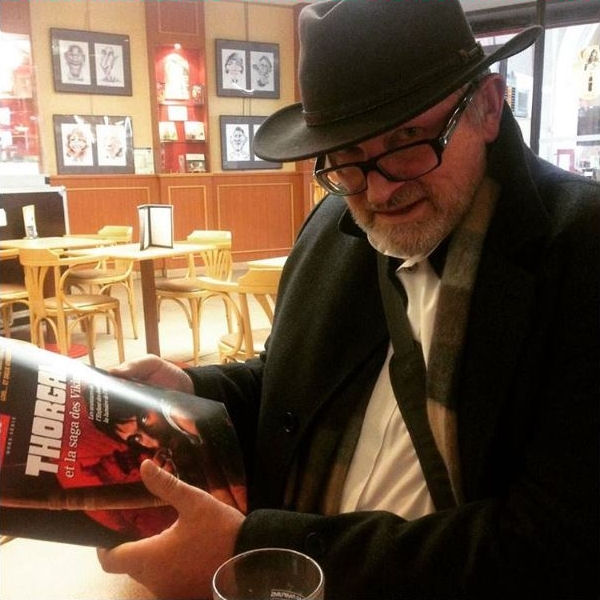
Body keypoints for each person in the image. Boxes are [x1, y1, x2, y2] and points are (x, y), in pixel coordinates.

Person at [98, 1, 599, 598]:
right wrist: (191, 389)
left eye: (408, 141)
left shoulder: (581, 249)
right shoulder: (332, 225)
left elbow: (556, 543)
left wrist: (260, 550)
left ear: (488, 107)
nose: (380, 191)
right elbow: (287, 385)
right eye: (347, 156)